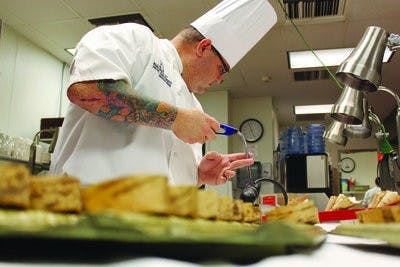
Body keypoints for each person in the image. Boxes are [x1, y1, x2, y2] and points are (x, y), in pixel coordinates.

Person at [49, 0, 277, 186]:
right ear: (203, 47)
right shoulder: (137, 40)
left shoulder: (194, 108)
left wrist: (199, 175)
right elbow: (88, 91)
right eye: (221, 70)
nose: (218, 80)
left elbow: (172, 174)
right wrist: (174, 118)